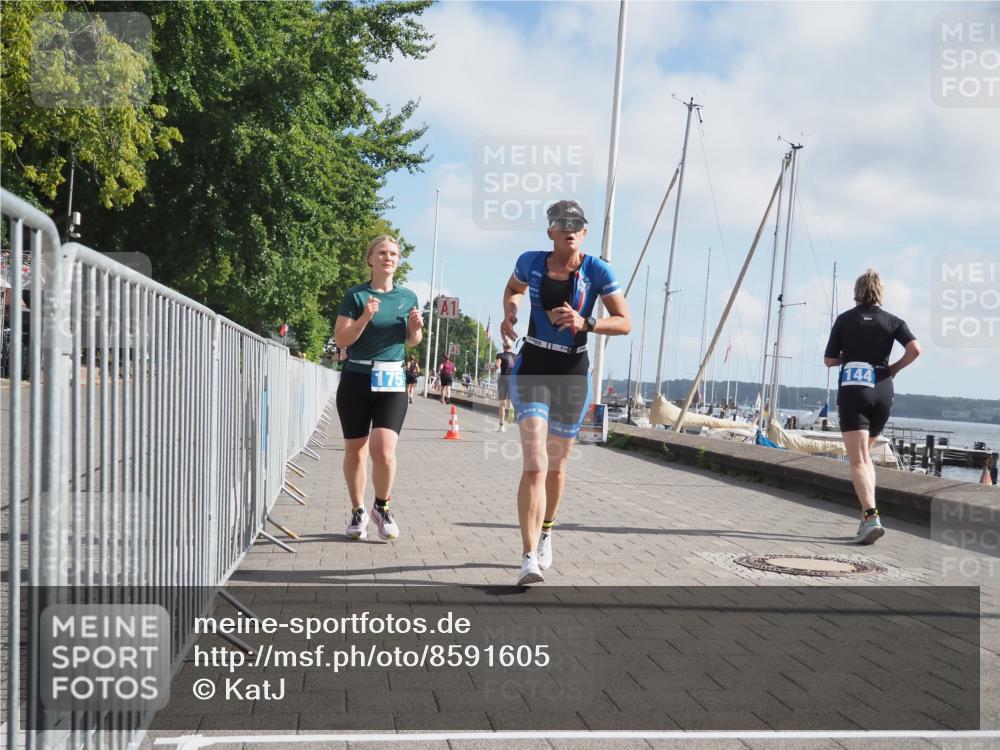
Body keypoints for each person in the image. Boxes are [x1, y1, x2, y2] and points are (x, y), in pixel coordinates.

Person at [500, 200, 631, 585]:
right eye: (561, 222)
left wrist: (587, 321)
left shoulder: (597, 270)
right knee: (536, 464)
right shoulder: (531, 261)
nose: (569, 228)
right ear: (550, 232)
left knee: (556, 468)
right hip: (535, 366)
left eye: (576, 223)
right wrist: (510, 311)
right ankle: (527, 557)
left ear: (584, 232)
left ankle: (546, 531)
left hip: (573, 371)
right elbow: (512, 288)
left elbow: (625, 322)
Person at [334, 235, 423, 542]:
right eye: (382, 253)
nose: (388, 257)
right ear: (370, 259)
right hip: (357, 378)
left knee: (383, 449)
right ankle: (358, 511)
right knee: (356, 451)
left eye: (394, 254)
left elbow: (413, 341)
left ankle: (381, 507)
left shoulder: (408, 297)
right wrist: (364, 318)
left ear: (398, 261)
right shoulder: (356, 295)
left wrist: (414, 329)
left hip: (392, 380)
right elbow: (342, 340)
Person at [823, 268, 920, 545]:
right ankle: (866, 518)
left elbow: (829, 360)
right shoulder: (893, 321)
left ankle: (871, 516)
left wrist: (849, 356)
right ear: (880, 292)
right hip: (882, 387)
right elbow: (915, 349)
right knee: (866, 455)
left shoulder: (845, 320)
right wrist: (894, 369)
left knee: (858, 460)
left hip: (855, 388)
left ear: (857, 291)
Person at [495, 339, 516, 431]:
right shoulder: (516, 356)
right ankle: (511, 409)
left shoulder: (500, 355)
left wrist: (494, 367)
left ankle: (501, 425)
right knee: (510, 400)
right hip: (512, 379)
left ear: (503, 346)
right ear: (511, 346)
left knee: (502, 403)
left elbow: (497, 365)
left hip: (503, 379)